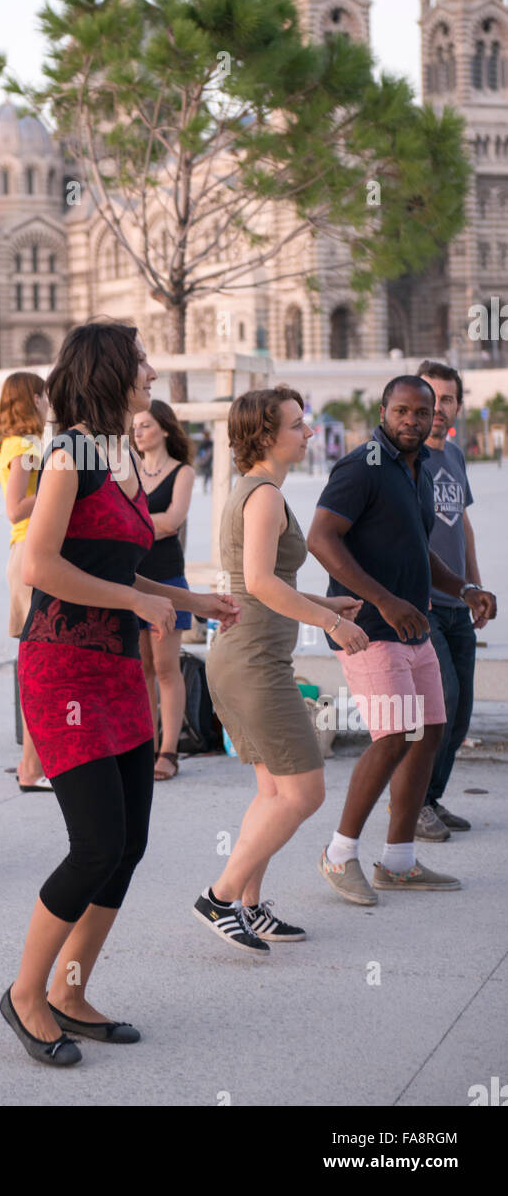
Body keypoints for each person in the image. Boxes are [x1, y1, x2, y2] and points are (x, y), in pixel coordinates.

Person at [0, 321, 239, 1066]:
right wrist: (139, 605)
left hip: (114, 673)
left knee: (128, 846)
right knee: (95, 844)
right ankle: (24, 994)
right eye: (139, 360)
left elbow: (107, 563)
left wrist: (188, 601)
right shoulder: (69, 450)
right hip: (62, 666)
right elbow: (40, 564)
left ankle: (71, 991)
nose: (150, 370)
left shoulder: (123, 459)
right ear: (110, 370)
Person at [308, 376, 495, 904]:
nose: (411, 420)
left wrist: (466, 587)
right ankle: (338, 854)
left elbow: (418, 551)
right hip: (370, 629)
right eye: (401, 411)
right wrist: (385, 600)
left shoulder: (418, 471)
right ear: (383, 411)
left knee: (428, 732)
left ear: (437, 414)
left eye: (421, 412)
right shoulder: (361, 466)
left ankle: (399, 861)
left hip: (415, 627)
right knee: (392, 735)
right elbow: (321, 539)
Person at [194, 387, 367, 955]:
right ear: (267, 436)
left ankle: (248, 905)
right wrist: (332, 624)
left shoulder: (258, 491)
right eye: (297, 425)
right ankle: (219, 898)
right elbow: (262, 583)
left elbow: (260, 582)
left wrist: (323, 602)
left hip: (247, 657)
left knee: (273, 792)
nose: (309, 433)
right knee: (304, 792)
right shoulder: (264, 495)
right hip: (253, 663)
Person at [415, 360, 497, 839]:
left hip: (455, 603)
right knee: (439, 701)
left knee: (462, 707)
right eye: (431, 397)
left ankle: (432, 798)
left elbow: (460, 523)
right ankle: (411, 803)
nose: (439, 408)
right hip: (422, 603)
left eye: (447, 399)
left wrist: (475, 587)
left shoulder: (454, 458)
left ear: (458, 406)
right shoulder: (408, 457)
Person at [132, 402, 196, 781]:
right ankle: (145, 745)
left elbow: (172, 522)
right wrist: (146, 525)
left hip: (168, 577)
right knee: (141, 669)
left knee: (167, 668)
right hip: (131, 579)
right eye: (135, 426)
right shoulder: (127, 470)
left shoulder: (182, 472)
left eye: (146, 425)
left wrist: (130, 523)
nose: (138, 432)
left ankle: (169, 750)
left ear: (166, 430)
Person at [0, 370, 53, 791]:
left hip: (26, 552)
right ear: (34, 399)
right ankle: (31, 767)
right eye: (45, 395)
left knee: (39, 662)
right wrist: (59, 482)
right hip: (31, 550)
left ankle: (31, 762)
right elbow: (15, 508)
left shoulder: (15, 444)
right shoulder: (27, 447)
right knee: (43, 664)